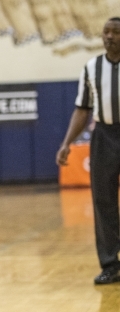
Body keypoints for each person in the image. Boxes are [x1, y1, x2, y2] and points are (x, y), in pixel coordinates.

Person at [57, 17, 120, 285]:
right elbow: (82, 110)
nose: (110, 36)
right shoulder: (91, 67)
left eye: (116, 32)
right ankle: (110, 264)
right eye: (106, 32)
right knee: (103, 201)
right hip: (103, 136)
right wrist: (66, 143)